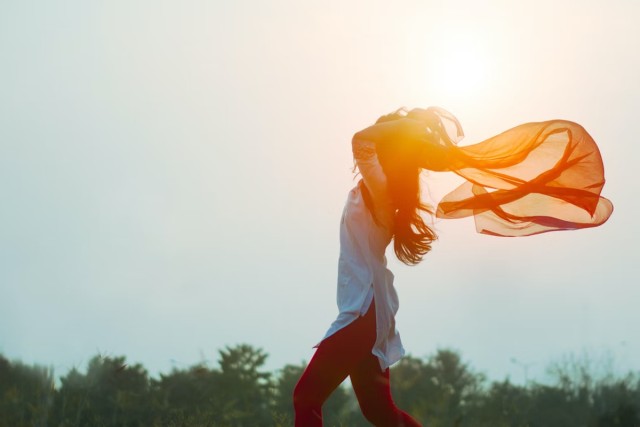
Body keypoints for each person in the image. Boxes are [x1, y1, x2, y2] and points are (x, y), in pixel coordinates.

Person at [292, 107, 613, 426]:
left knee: (306, 397)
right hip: (368, 310)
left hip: (364, 310)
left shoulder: (381, 187)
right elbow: (368, 141)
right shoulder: (382, 189)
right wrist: (407, 128)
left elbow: (361, 140)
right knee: (379, 412)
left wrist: (405, 127)